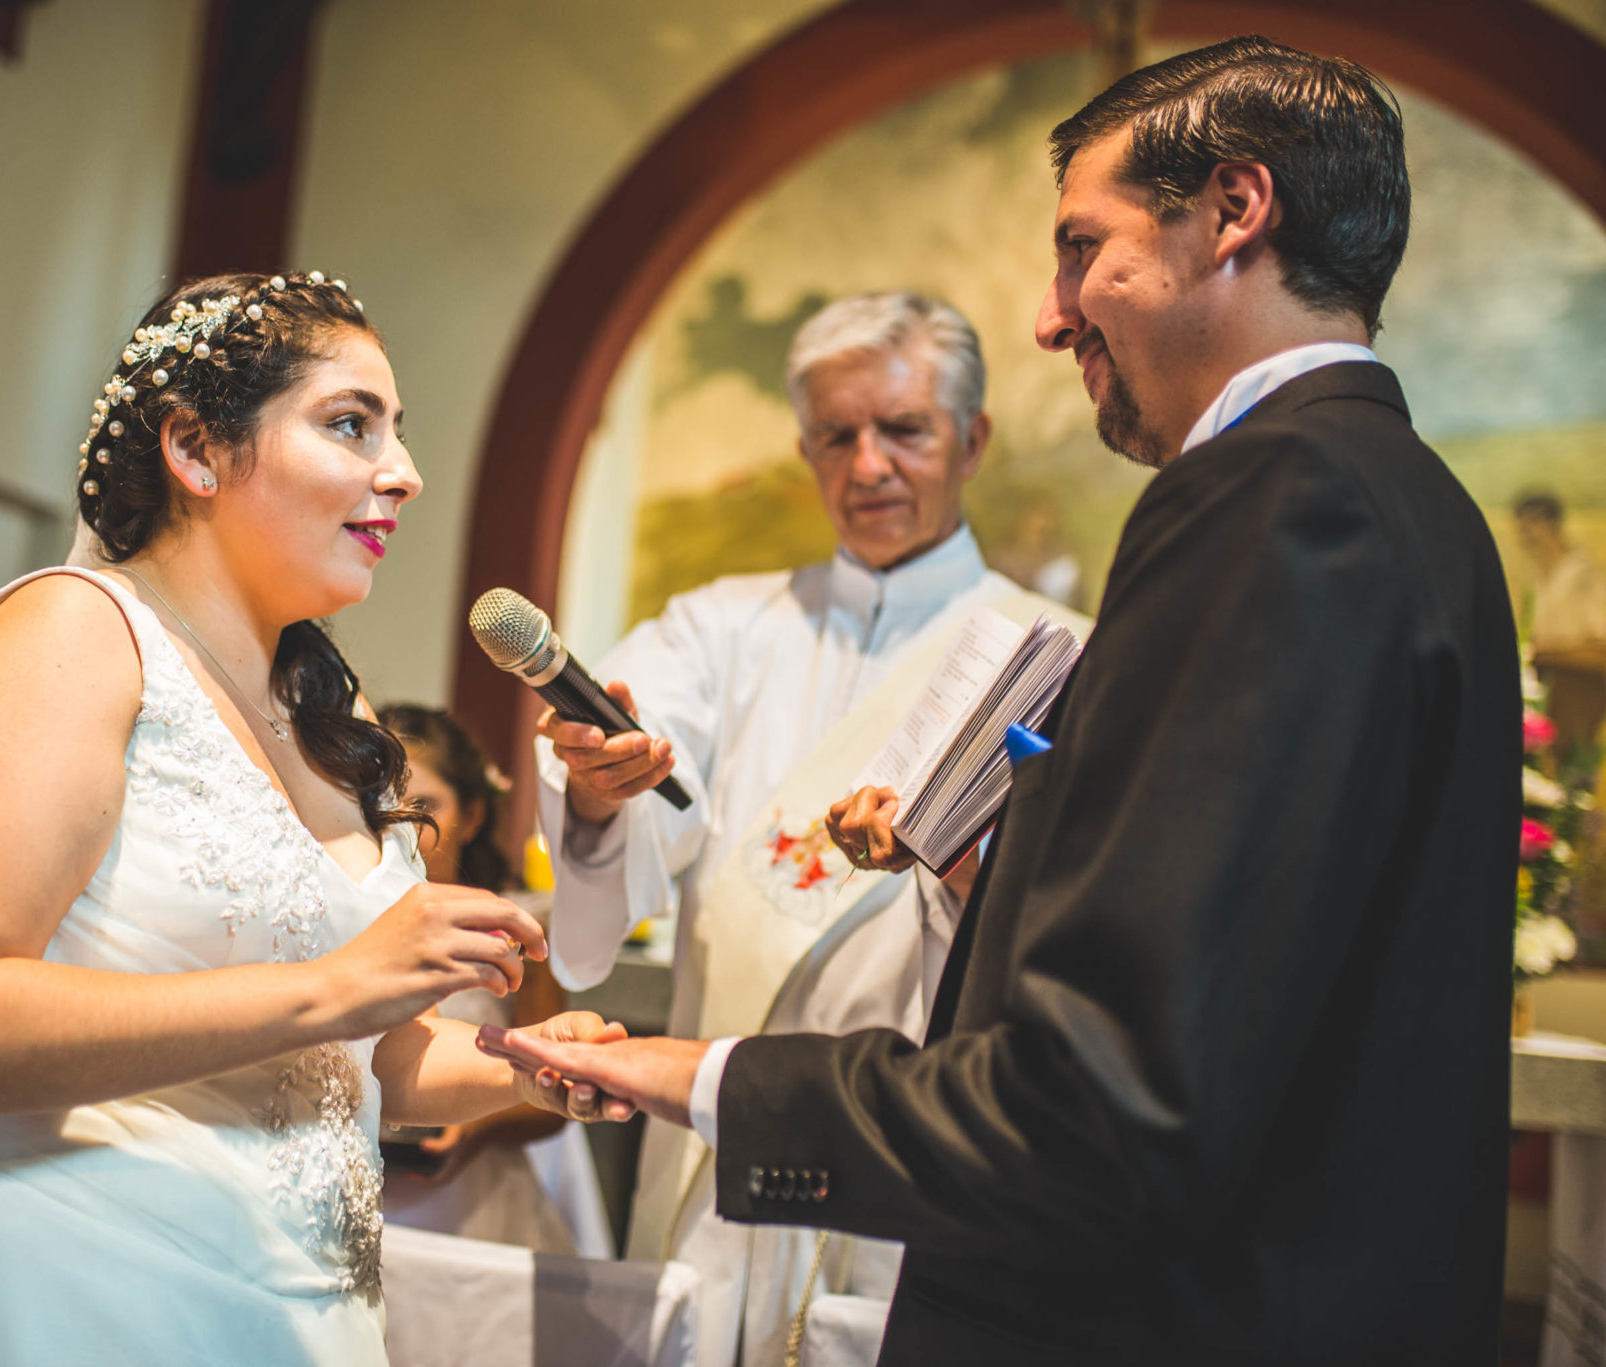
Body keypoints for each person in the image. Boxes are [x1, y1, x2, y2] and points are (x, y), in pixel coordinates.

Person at [490, 37, 1519, 1365]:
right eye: (835, 436)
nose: (1053, 312)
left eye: (1082, 246)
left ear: (1235, 211)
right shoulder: (1417, 504)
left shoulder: (1268, 503)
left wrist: (696, 1073)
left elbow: (1115, 1083)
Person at [0, 272, 629, 1367]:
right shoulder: (72, 637)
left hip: (288, 1311)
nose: (404, 473)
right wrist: (336, 984)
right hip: (56, 1287)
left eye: (396, 431)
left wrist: (518, 1064)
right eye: (348, 423)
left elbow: (364, 1057)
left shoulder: (333, 714)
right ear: (194, 450)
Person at [535, 292, 1074, 1366]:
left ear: (970, 441)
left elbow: (1068, 920)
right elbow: (645, 764)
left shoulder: (1052, 654)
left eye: (903, 429)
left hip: (912, 1152)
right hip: (711, 1143)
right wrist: (599, 792)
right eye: (835, 434)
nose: (866, 464)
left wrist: (968, 871)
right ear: (803, 447)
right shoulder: (718, 626)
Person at [377, 702, 594, 1254]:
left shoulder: (519, 925)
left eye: (424, 805)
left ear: (472, 815)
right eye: (381, 801)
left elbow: (551, 1088)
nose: (402, 824)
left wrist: (472, 1130)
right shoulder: (339, 911)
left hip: (472, 1204)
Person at [1514, 489, 1606, 775]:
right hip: (1551, 703)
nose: (1524, 536)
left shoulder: (1583, 577)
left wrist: (1546, 654)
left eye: (1529, 525)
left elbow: (1600, 649)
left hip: (1581, 703)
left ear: (1548, 523)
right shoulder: (1540, 577)